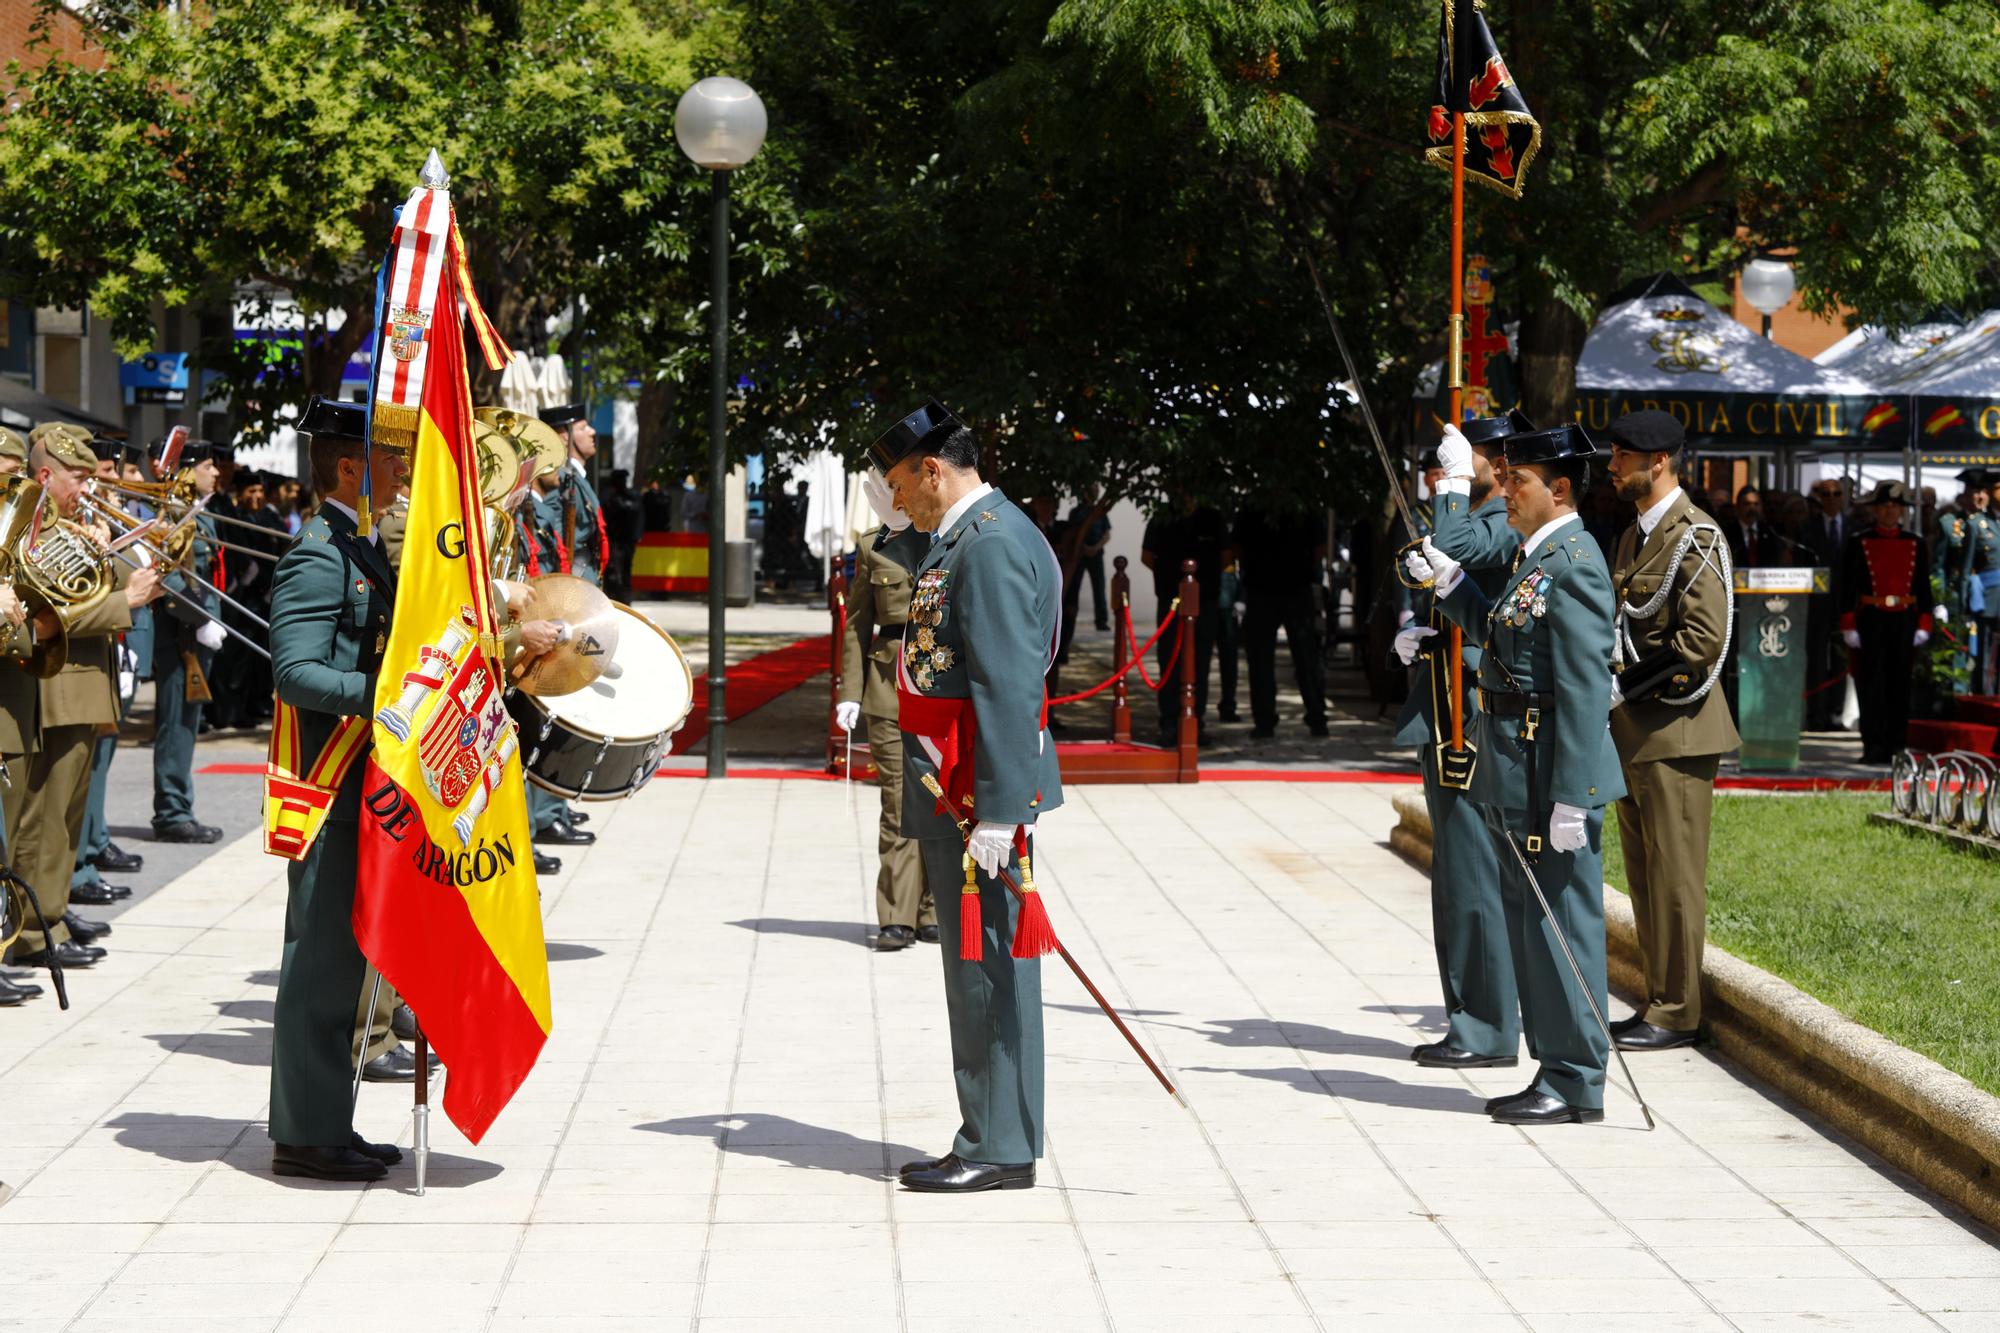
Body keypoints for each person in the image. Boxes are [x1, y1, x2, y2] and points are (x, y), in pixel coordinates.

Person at [870, 399, 1061, 1192]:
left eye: (899, 485)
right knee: (973, 967)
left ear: (933, 470)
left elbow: (1010, 683)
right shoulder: (967, 535)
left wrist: (1006, 808)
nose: (895, 503)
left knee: (988, 970)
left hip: (980, 795)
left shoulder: (987, 547)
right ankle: (992, 1131)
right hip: (963, 786)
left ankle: (998, 1143)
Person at [1408, 422, 1623, 1125]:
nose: (1507, 493)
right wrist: (1452, 585)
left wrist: (1574, 793)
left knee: (1560, 924)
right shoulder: (1541, 556)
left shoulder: (1576, 560)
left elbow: (1587, 688)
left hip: (1548, 767)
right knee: (1535, 924)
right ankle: (1556, 1067)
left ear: (1558, 488)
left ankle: (1576, 1077)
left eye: (1518, 481)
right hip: (1517, 759)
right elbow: (1505, 637)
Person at [265, 397, 407, 1181]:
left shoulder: (361, 546)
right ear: (349, 466)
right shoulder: (319, 553)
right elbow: (293, 672)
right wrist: (381, 689)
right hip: (327, 788)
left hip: (363, 783)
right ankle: (303, 1135)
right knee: (318, 963)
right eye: (388, 457)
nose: (400, 470)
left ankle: (330, 1120)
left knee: (350, 967)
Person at [1391, 413, 1528, 1071]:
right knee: (1455, 876)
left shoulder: (1502, 517)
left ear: (1496, 463)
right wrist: (1416, 633)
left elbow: (1455, 549)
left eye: (1464, 455)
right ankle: (1468, 1015)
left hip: (1471, 715)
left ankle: (1488, 1026)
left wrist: (1449, 485)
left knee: (1475, 873)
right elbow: (1439, 578)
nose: (1452, 465)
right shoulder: (1470, 513)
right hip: (1442, 700)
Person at [1, 424, 162, 973]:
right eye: (79, 477)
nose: (88, 488)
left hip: (82, 685)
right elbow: (47, 620)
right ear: (47, 475)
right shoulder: (28, 531)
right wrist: (125, 601)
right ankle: (34, 926)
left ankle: (53, 915)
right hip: (56, 685)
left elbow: (99, 586)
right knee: (41, 820)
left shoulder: (66, 527)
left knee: (64, 818)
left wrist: (114, 557)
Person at [1602, 410, 1737, 1052]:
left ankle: (1679, 1011)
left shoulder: (1698, 535)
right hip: (1635, 732)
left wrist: (1625, 683)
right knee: (1645, 875)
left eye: (1621, 456)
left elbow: (1702, 641)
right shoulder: (1633, 538)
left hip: (1678, 730)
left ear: (1657, 462)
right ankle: (1657, 997)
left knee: (1676, 877)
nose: (1611, 466)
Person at [835, 482, 936, 952]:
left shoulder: (945, 537)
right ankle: (897, 915)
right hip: (887, 686)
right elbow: (857, 622)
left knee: (942, 797)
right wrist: (849, 691)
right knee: (897, 801)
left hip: (939, 686)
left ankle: (932, 909)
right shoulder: (873, 546)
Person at [147, 438, 227, 845]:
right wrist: (199, 619)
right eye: (209, 465)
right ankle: (172, 812)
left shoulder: (198, 509)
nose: (216, 472)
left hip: (196, 631)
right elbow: (166, 572)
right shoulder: (173, 510)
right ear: (188, 469)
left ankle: (179, 806)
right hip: (181, 633)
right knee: (176, 725)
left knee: (187, 724)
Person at [1840, 480, 1938, 764]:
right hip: (1871, 619)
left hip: (1904, 620)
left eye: (1895, 506)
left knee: (1899, 684)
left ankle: (1897, 745)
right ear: (1875, 509)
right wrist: (1848, 623)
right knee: (1871, 684)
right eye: (1884, 506)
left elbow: (1923, 587)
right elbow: (1847, 587)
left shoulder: (1915, 543)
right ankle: (1872, 745)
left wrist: (1924, 623)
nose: (1889, 511)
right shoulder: (1858, 542)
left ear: (1902, 511)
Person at [1233, 496, 1328, 738]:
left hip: (1289, 588)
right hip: (1266, 589)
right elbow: (1238, 547)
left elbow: (1319, 547)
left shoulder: (1302, 505)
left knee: (1304, 658)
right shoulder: (1253, 506)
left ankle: (1314, 717)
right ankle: (1269, 720)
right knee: (1265, 661)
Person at [1140, 495, 1224, 745]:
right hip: (1170, 600)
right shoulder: (1163, 516)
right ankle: (1169, 722)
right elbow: (1147, 556)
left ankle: (1195, 721)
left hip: (1204, 601)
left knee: (1200, 662)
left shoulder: (1212, 516)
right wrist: (1168, 579)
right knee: (1169, 660)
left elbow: (1226, 555)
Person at [1801, 478, 1850, 730]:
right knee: (1818, 660)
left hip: (1844, 605)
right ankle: (1816, 714)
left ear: (1843, 497)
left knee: (1841, 659)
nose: (1831, 498)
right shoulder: (1808, 529)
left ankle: (1836, 713)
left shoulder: (1853, 528)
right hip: (1817, 605)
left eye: (1836, 494)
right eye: (1826, 494)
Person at [539, 403, 606, 586]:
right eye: (583, 428)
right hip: (571, 581)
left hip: (583, 579)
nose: (592, 432)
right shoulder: (560, 480)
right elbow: (551, 532)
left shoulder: (577, 479)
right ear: (564, 436)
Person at [1964, 473, 2000, 694]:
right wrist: (1963, 606)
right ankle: (1985, 699)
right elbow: (1966, 569)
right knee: (1986, 654)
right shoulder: (1977, 524)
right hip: (1989, 599)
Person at [1723, 485, 1778, 569]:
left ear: (1761, 507)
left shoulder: (1770, 532)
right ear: (1737, 507)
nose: (1752, 508)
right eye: (1747, 504)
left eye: (1756, 504)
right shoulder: (1727, 533)